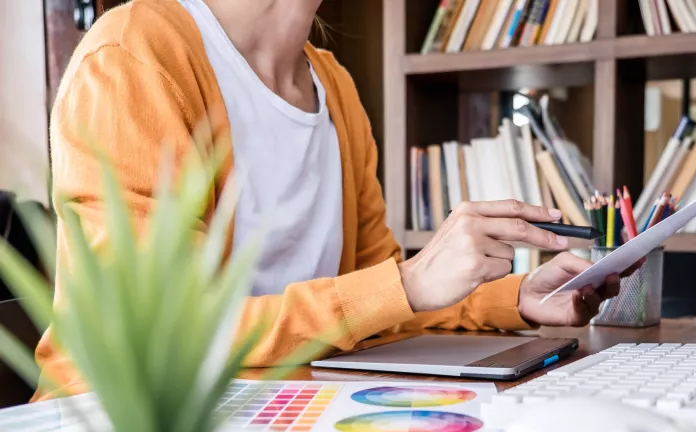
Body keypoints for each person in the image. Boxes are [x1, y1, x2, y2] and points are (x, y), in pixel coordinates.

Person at [35, 0, 624, 395]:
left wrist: (515, 298)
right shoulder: (134, 55)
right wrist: (410, 282)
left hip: (294, 414)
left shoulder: (334, 85)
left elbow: (381, 305)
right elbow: (162, 341)